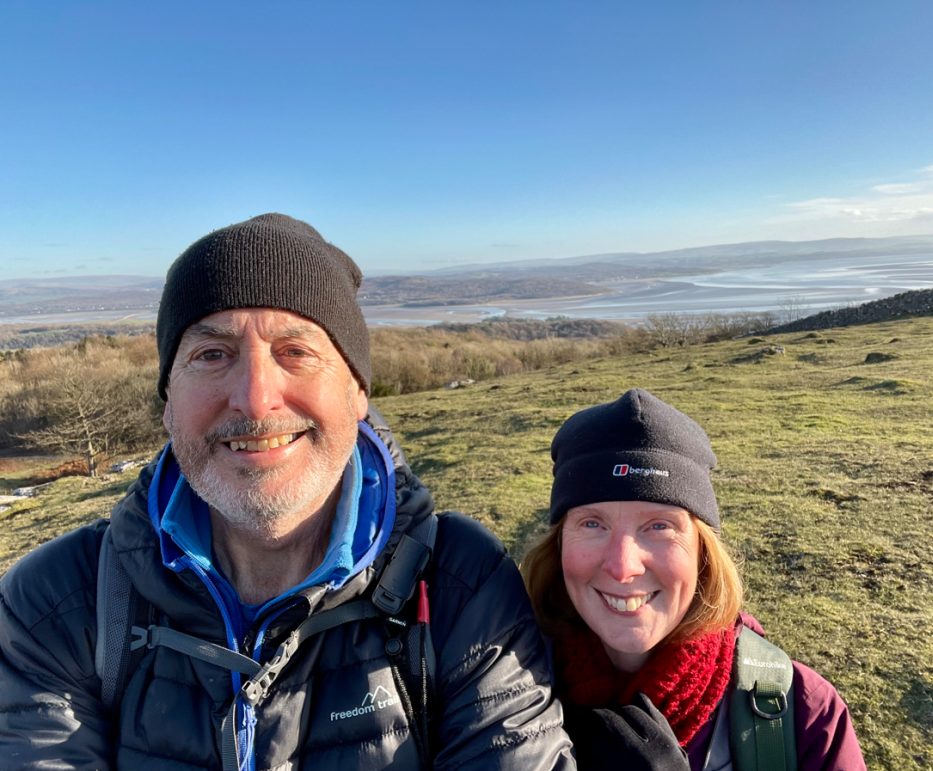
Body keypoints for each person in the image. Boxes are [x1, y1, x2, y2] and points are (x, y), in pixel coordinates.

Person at [0, 214, 573, 771]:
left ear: (357, 393)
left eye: (295, 352)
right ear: (168, 401)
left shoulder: (461, 587)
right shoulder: (58, 603)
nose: (255, 398)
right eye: (211, 354)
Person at [523, 388, 866, 771]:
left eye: (659, 526)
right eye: (592, 524)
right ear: (558, 546)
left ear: (703, 551)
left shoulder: (805, 715)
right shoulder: (498, 687)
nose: (623, 567)